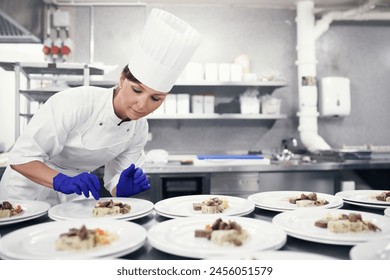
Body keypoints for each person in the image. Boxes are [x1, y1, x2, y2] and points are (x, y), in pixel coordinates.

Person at [0, 9, 201, 206]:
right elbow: (21, 157)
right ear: (122, 79)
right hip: (24, 194)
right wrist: (62, 181)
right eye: (137, 90)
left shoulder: (138, 129)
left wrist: (122, 188)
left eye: (156, 98)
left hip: (74, 196)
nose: (142, 105)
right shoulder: (77, 102)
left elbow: (114, 181)